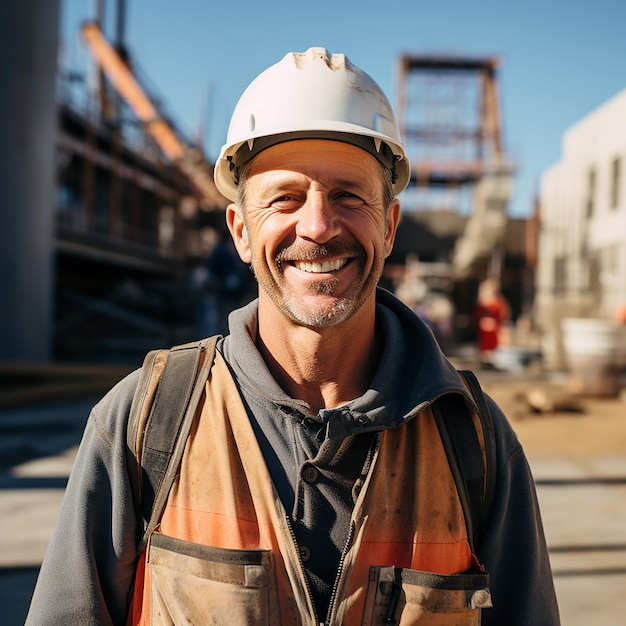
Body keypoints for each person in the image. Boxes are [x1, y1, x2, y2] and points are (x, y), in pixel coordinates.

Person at [27, 48, 559, 625]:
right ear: (240, 231)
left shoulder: (472, 439)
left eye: (349, 195)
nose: (317, 226)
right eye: (284, 198)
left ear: (390, 224)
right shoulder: (144, 421)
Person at [475, 277, 511, 368]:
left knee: (493, 351)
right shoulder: (482, 305)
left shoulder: (498, 304)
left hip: (495, 333)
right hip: (485, 335)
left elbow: (504, 317)